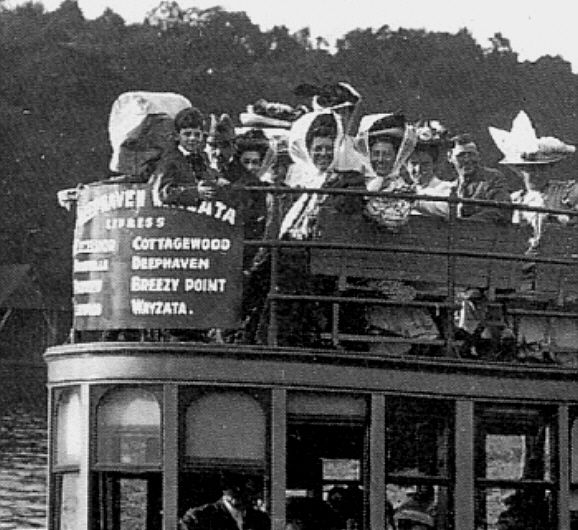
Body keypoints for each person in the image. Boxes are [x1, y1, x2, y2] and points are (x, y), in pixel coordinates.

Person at [489, 110, 576, 249]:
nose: (537, 173)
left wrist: (563, 220)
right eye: (531, 169)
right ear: (520, 171)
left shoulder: (567, 191)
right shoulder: (515, 199)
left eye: (542, 168)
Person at [151, 106, 222, 207]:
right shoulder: (170, 160)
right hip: (179, 216)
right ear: (177, 135)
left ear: (202, 136)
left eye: (197, 135)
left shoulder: (202, 158)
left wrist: (217, 181)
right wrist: (194, 193)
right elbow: (164, 193)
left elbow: (206, 177)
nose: (192, 138)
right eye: (187, 134)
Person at [358, 113, 416, 230]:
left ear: (396, 157)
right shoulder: (358, 181)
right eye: (375, 154)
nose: (380, 160)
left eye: (387, 155)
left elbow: (396, 219)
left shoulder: (403, 186)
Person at [449, 133, 512, 223]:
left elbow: (500, 210)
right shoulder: (452, 185)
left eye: (471, 154)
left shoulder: (492, 178)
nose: (467, 160)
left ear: (478, 156)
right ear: (450, 158)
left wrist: (465, 225)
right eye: (461, 155)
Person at [179, 475, 270, 530]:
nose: (238, 490)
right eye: (233, 486)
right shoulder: (199, 517)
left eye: (247, 488)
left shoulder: (261, 520)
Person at [407, 120, 456, 217]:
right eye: (414, 163)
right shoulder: (401, 187)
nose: (418, 169)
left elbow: (448, 209)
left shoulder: (446, 188)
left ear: (434, 165)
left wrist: (413, 200)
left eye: (425, 164)